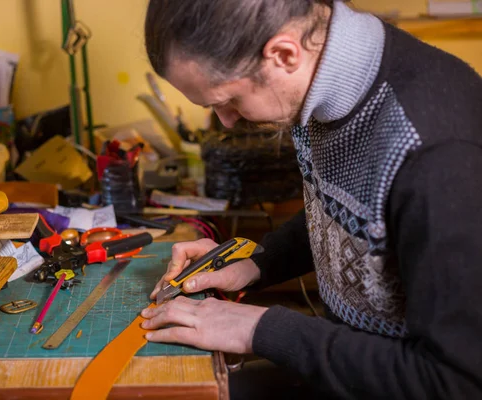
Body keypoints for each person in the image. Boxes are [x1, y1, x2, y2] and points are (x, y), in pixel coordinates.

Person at [139, 0, 482, 399]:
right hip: (348, 364)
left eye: (227, 99)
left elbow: (456, 381)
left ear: (283, 54)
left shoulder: (435, 150)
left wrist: (260, 330)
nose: (226, 121)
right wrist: (256, 262)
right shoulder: (321, 82)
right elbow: (352, 210)